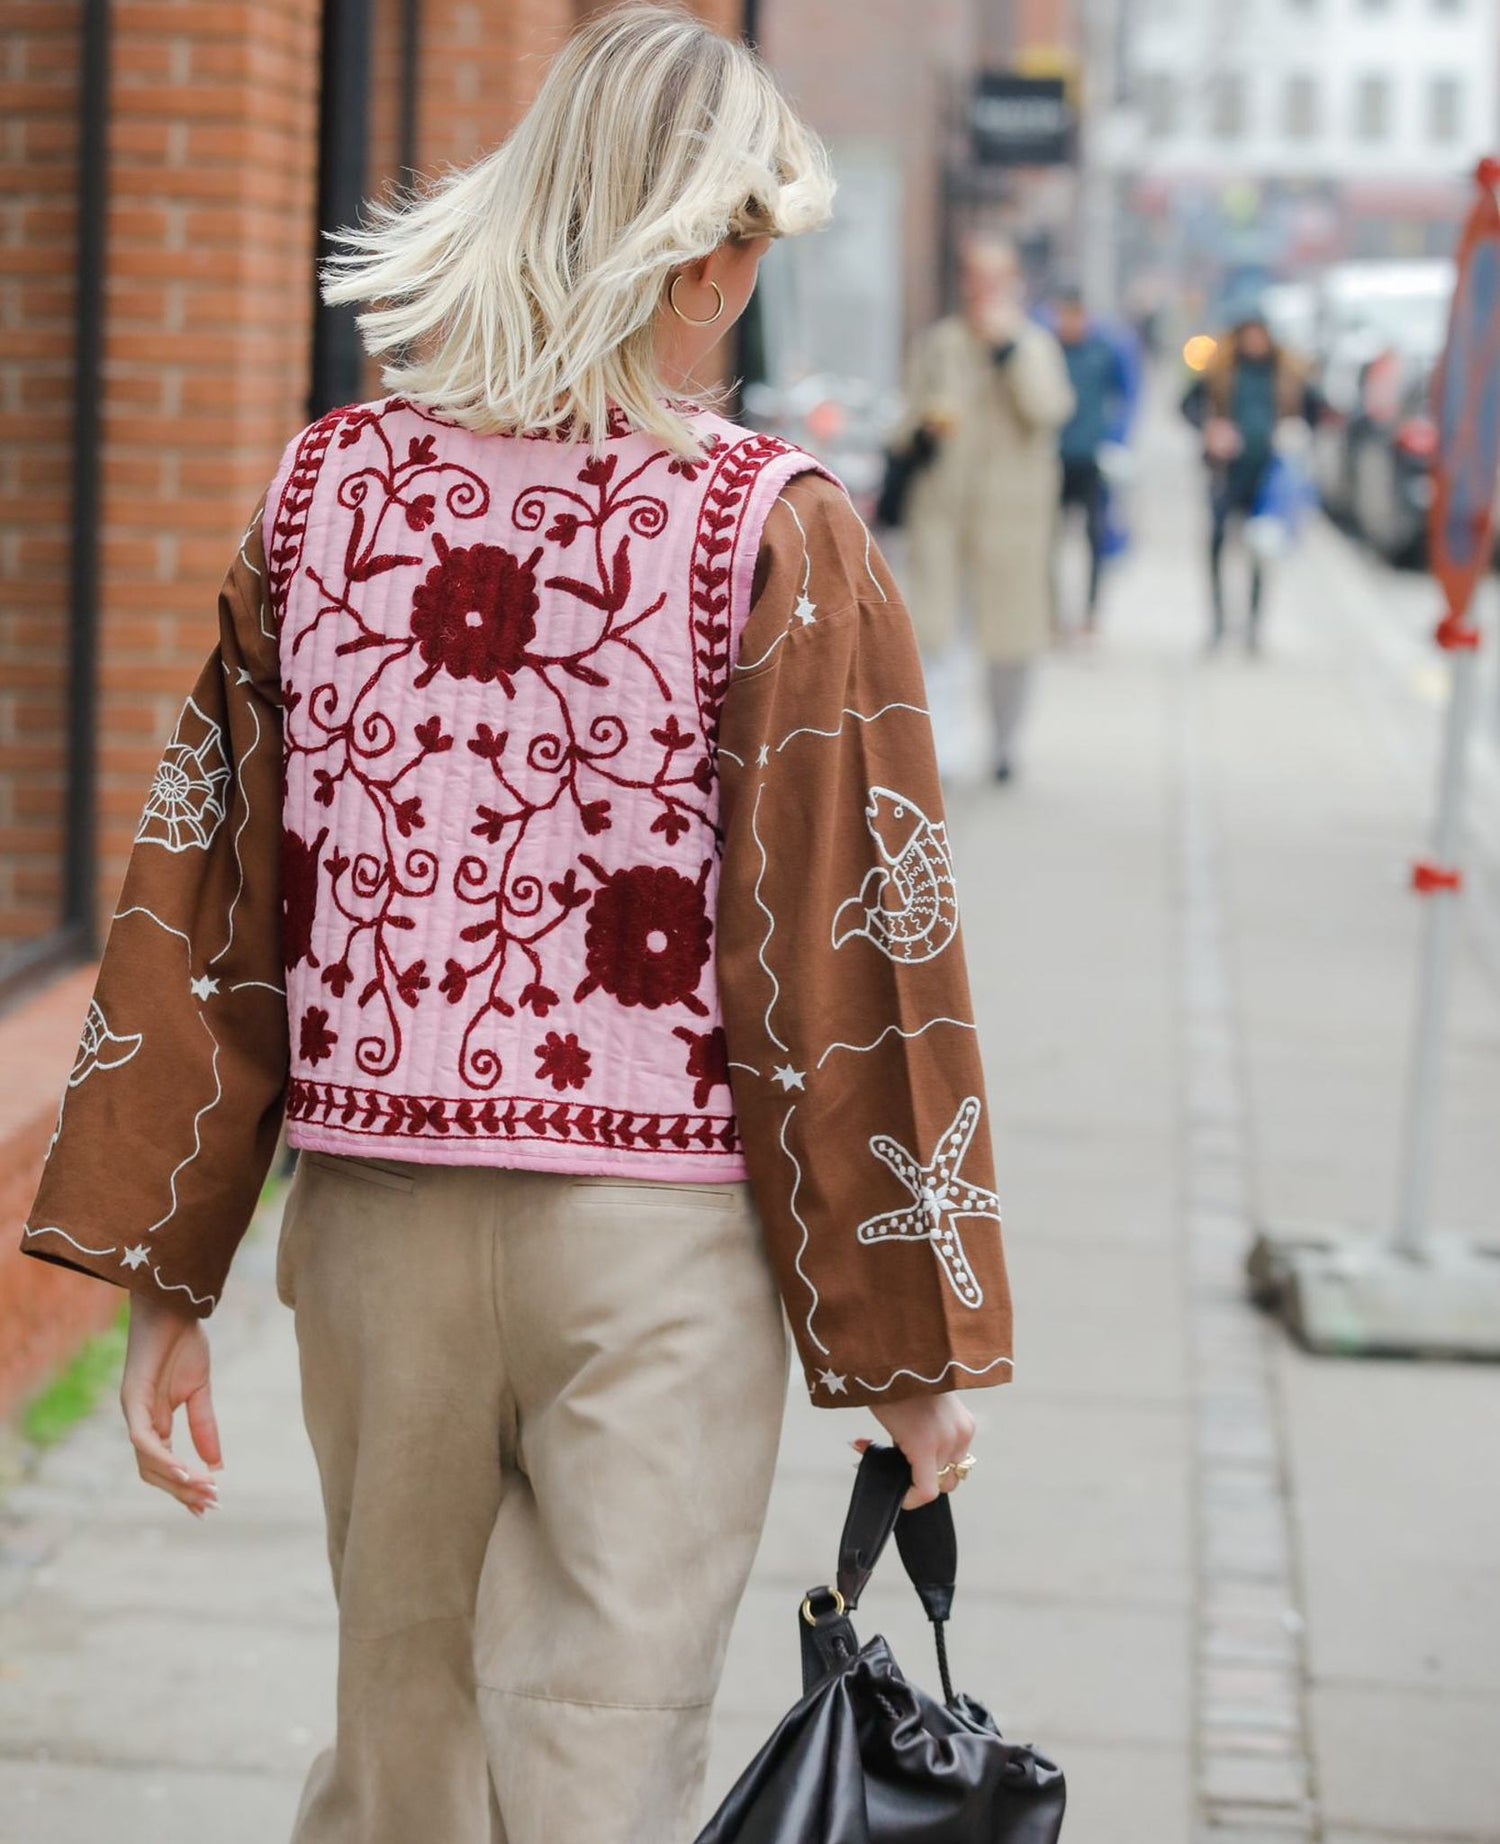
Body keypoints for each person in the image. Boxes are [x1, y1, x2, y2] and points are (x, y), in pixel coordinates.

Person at [19, 10, 1013, 1844]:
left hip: (375, 1224)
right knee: (594, 1757)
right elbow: (855, 950)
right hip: (654, 1250)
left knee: (399, 1751)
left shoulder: (323, 496)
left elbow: (213, 896)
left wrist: (169, 1271)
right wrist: (904, 1346)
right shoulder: (773, 531)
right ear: (713, 255)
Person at [896, 235, 1074, 782]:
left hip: (1014, 517)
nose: (984, 288)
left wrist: (1008, 354)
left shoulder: (1034, 345)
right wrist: (919, 434)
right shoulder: (941, 343)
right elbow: (907, 415)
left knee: (1011, 637)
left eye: (995, 277)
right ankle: (944, 750)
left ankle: (1004, 742)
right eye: (976, 275)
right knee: (936, 630)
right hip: (944, 508)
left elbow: (1049, 409)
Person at [1182, 311, 1318, 653]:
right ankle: (1217, 622)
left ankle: (1254, 626)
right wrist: (1211, 430)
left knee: (1260, 549)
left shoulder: (1287, 373)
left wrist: (1295, 433)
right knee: (1216, 543)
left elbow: (1316, 410)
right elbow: (1187, 405)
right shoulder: (1222, 373)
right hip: (1227, 471)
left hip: (1268, 473)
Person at [1052, 284, 1130, 636]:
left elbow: (1128, 394)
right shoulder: (1049, 348)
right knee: (1048, 540)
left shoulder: (1105, 350)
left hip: (1093, 457)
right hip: (1054, 456)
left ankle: (1091, 612)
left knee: (1095, 536)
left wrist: (1117, 439)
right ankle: (1052, 612)